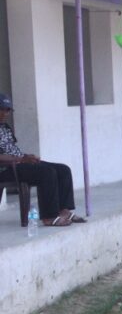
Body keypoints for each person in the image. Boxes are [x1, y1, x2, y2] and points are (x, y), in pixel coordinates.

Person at [0, 93, 84, 226]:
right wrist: (21, 158)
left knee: (63, 169)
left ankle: (64, 210)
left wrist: (27, 157)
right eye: (2, 109)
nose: (5, 113)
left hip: (20, 162)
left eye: (8, 110)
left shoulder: (5, 127)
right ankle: (49, 217)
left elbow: (12, 148)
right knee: (47, 172)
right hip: (6, 168)